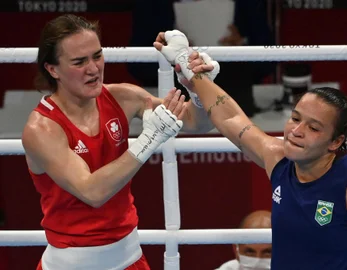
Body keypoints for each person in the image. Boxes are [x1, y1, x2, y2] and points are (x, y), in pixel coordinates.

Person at [154, 30, 347, 269]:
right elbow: (231, 118)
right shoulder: (278, 159)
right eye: (295, 119)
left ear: (335, 142)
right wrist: (187, 62)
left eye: (314, 128)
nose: (296, 131)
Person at [21, 15, 217, 270]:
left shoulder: (123, 97)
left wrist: (199, 89)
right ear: (52, 69)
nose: (93, 68)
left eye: (97, 56)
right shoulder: (42, 128)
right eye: (79, 62)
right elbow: (92, 192)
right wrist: (149, 139)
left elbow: (197, 123)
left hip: (130, 259)